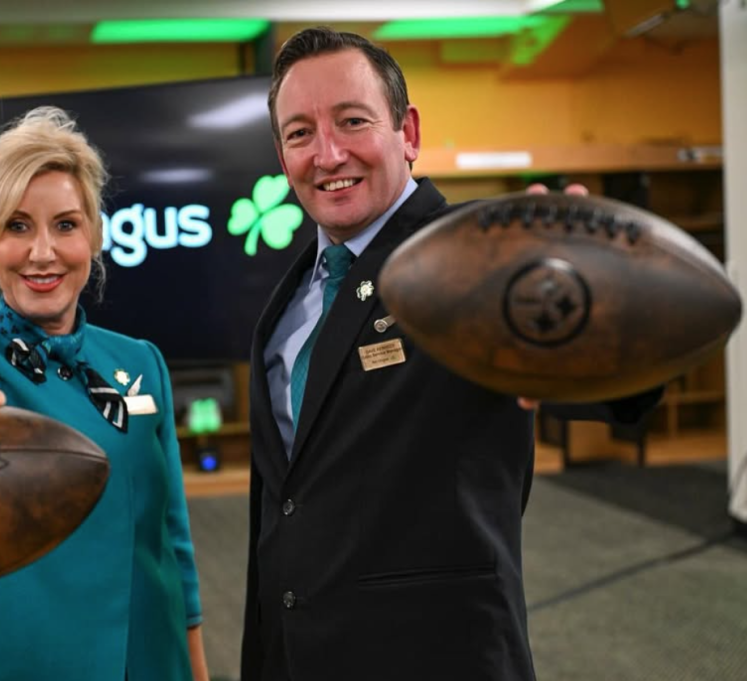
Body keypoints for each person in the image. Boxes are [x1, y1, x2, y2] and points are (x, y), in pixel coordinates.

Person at [242, 27, 660, 681]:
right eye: (300, 133)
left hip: (437, 655)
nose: (327, 153)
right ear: (281, 153)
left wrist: (600, 297)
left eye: (352, 121)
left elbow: (622, 383)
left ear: (407, 132)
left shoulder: (478, 257)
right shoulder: (291, 298)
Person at [0, 107, 209, 681]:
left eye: (65, 225)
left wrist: (195, 666)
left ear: (94, 236)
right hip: (15, 660)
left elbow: (172, 536)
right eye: (17, 226)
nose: (42, 252)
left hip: (146, 655)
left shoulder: (142, 361)